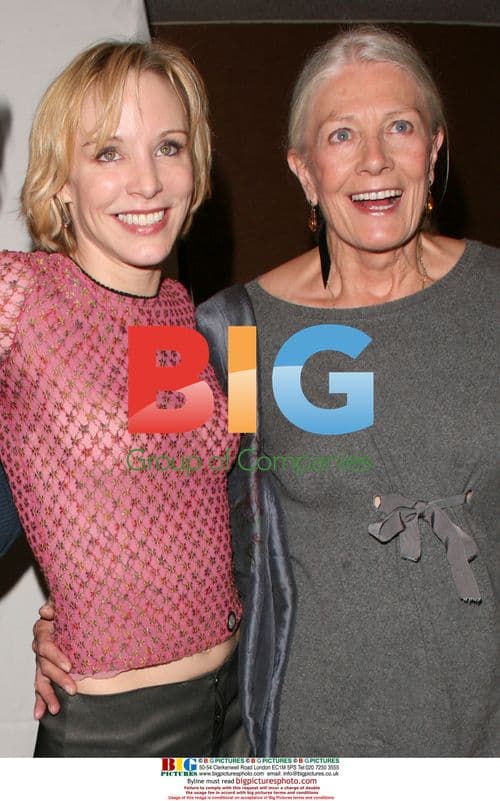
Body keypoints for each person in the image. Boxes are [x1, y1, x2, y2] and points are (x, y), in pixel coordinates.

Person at [14, 25, 500, 756]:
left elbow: (171, 497)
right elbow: (127, 481)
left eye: (399, 126)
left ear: (434, 149)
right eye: (342, 134)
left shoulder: (172, 314)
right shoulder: (237, 327)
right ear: (304, 170)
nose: (374, 158)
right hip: (296, 730)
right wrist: (75, 612)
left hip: (418, 725)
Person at [0, 40, 253, 757]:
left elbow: (172, 496)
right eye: (109, 152)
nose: (146, 181)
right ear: (61, 181)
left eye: (168, 147)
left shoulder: (185, 312)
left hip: (236, 706)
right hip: (116, 728)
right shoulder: (23, 293)